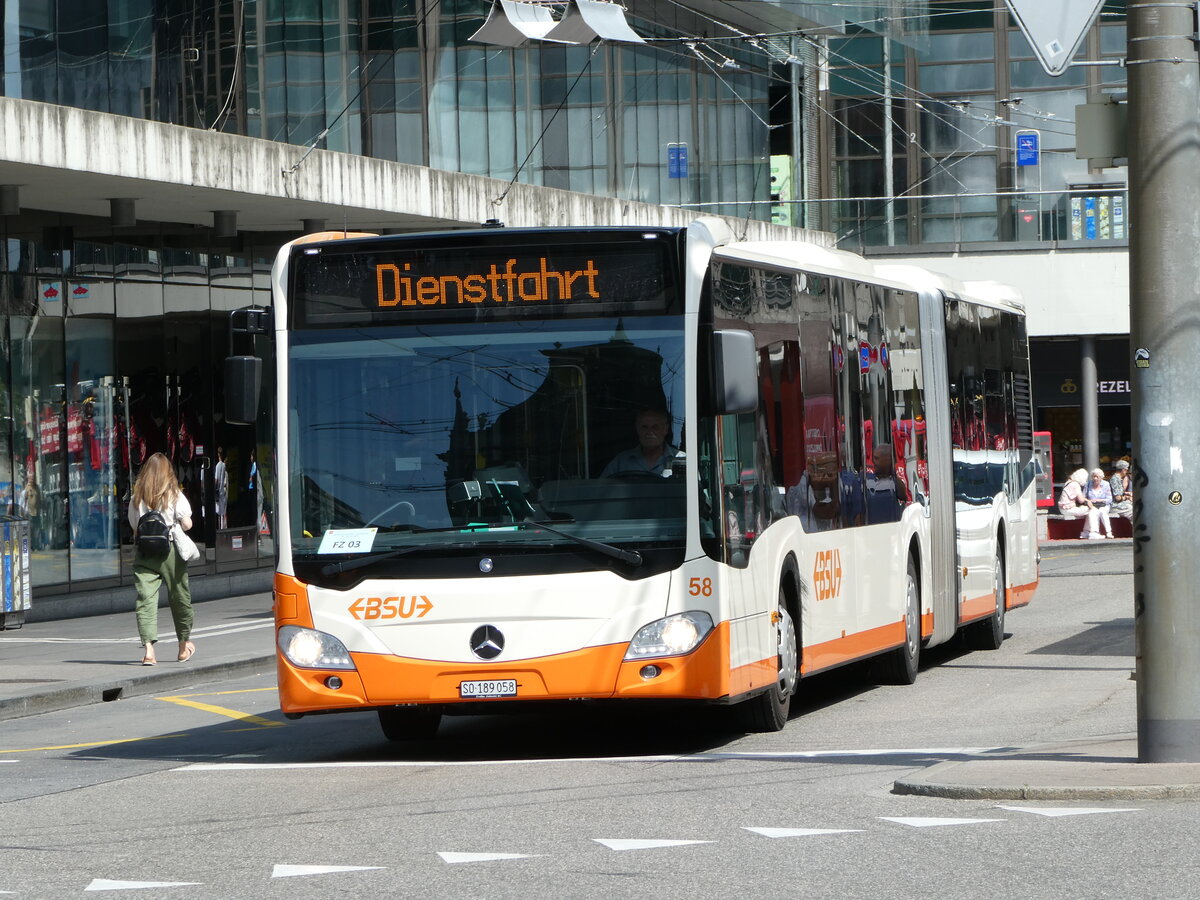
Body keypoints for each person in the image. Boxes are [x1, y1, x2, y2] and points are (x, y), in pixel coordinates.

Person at [128, 453, 198, 666]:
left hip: (145, 553)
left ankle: (149, 651)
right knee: (179, 596)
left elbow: (134, 527)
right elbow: (188, 525)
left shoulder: (136, 496)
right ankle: (183, 646)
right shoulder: (174, 494)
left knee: (146, 600)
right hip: (170, 553)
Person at [600, 408, 679, 477]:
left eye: (655, 427)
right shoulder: (620, 462)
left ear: (665, 429)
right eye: (644, 427)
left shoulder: (683, 460)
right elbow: (602, 491)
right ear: (637, 429)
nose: (650, 432)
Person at [1057, 468, 1097, 538]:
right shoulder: (1076, 485)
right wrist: (1088, 501)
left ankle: (1086, 532)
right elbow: (1081, 500)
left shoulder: (1068, 482)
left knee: (1088, 511)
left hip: (1063, 508)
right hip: (1068, 509)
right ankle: (1093, 532)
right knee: (1092, 510)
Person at [1084, 467, 1114, 539]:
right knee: (1093, 512)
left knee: (1102, 511)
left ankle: (1108, 532)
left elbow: (1109, 499)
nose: (1095, 478)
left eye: (1097, 477)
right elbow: (1083, 497)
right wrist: (1088, 501)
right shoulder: (1088, 484)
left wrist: (1099, 500)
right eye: (1094, 476)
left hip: (1104, 504)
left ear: (1101, 477)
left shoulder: (1106, 484)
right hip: (1092, 505)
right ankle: (1094, 532)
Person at [213, 446, 228, 529]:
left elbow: (216, 480)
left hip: (218, 491)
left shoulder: (218, 466)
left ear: (218, 454)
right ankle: (223, 528)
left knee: (218, 512)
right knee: (223, 512)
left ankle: (220, 529)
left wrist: (214, 489)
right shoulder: (224, 465)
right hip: (223, 491)